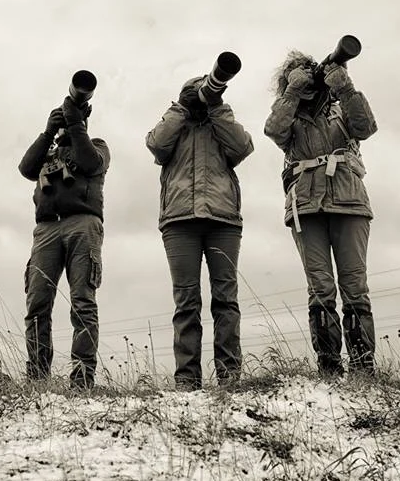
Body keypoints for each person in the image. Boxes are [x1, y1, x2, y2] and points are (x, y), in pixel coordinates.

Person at [263, 50, 378, 376]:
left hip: (349, 202)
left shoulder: (341, 109)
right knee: (320, 287)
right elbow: (273, 131)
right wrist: (292, 92)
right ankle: (329, 367)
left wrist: (345, 87)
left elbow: (366, 127)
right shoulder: (289, 116)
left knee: (355, 285)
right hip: (307, 207)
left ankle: (362, 367)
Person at [146, 75, 254, 390]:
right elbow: (156, 144)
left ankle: (229, 378)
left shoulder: (220, 124)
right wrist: (181, 106)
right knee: (186, 301)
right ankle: (187, 380)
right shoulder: (175, 125)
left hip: (223, 220)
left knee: (225, 299)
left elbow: (242, 146)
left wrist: (216, 105)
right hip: (179, 220)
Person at [18, 94, 110, 390]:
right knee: (37, 303)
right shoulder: (49, 152)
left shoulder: (97, 146)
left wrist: (75, 124)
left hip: (83, 223)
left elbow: (89, 162)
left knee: (82, 301)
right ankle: (37, 377)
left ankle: (83, 379)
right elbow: (26, 168)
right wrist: (48, 132)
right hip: (46, 227)